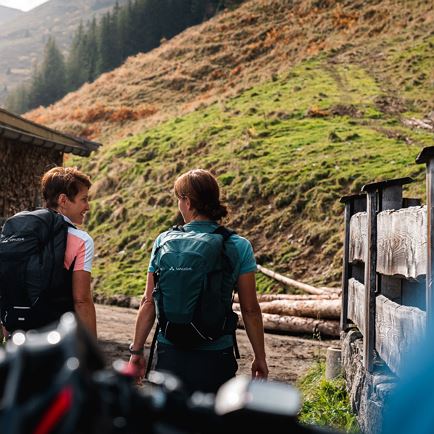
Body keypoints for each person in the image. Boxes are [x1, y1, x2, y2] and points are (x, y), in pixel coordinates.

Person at [129, 169, 268, 393]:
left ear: (187, 201)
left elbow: (148, 301)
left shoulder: (164, 241)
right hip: (215, 355)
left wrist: (136, 352)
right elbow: (250, 309)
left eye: (178, 199)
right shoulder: (237, 245)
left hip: (169, 352)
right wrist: (259, 357)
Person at [40, 166, 97, 337]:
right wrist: (91, 346)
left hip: (16, 333)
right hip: (56, 335)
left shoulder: (22, 231)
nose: (87, 207)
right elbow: (82, 300)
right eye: (84, 199)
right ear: (63, 200)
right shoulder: (82, 240)